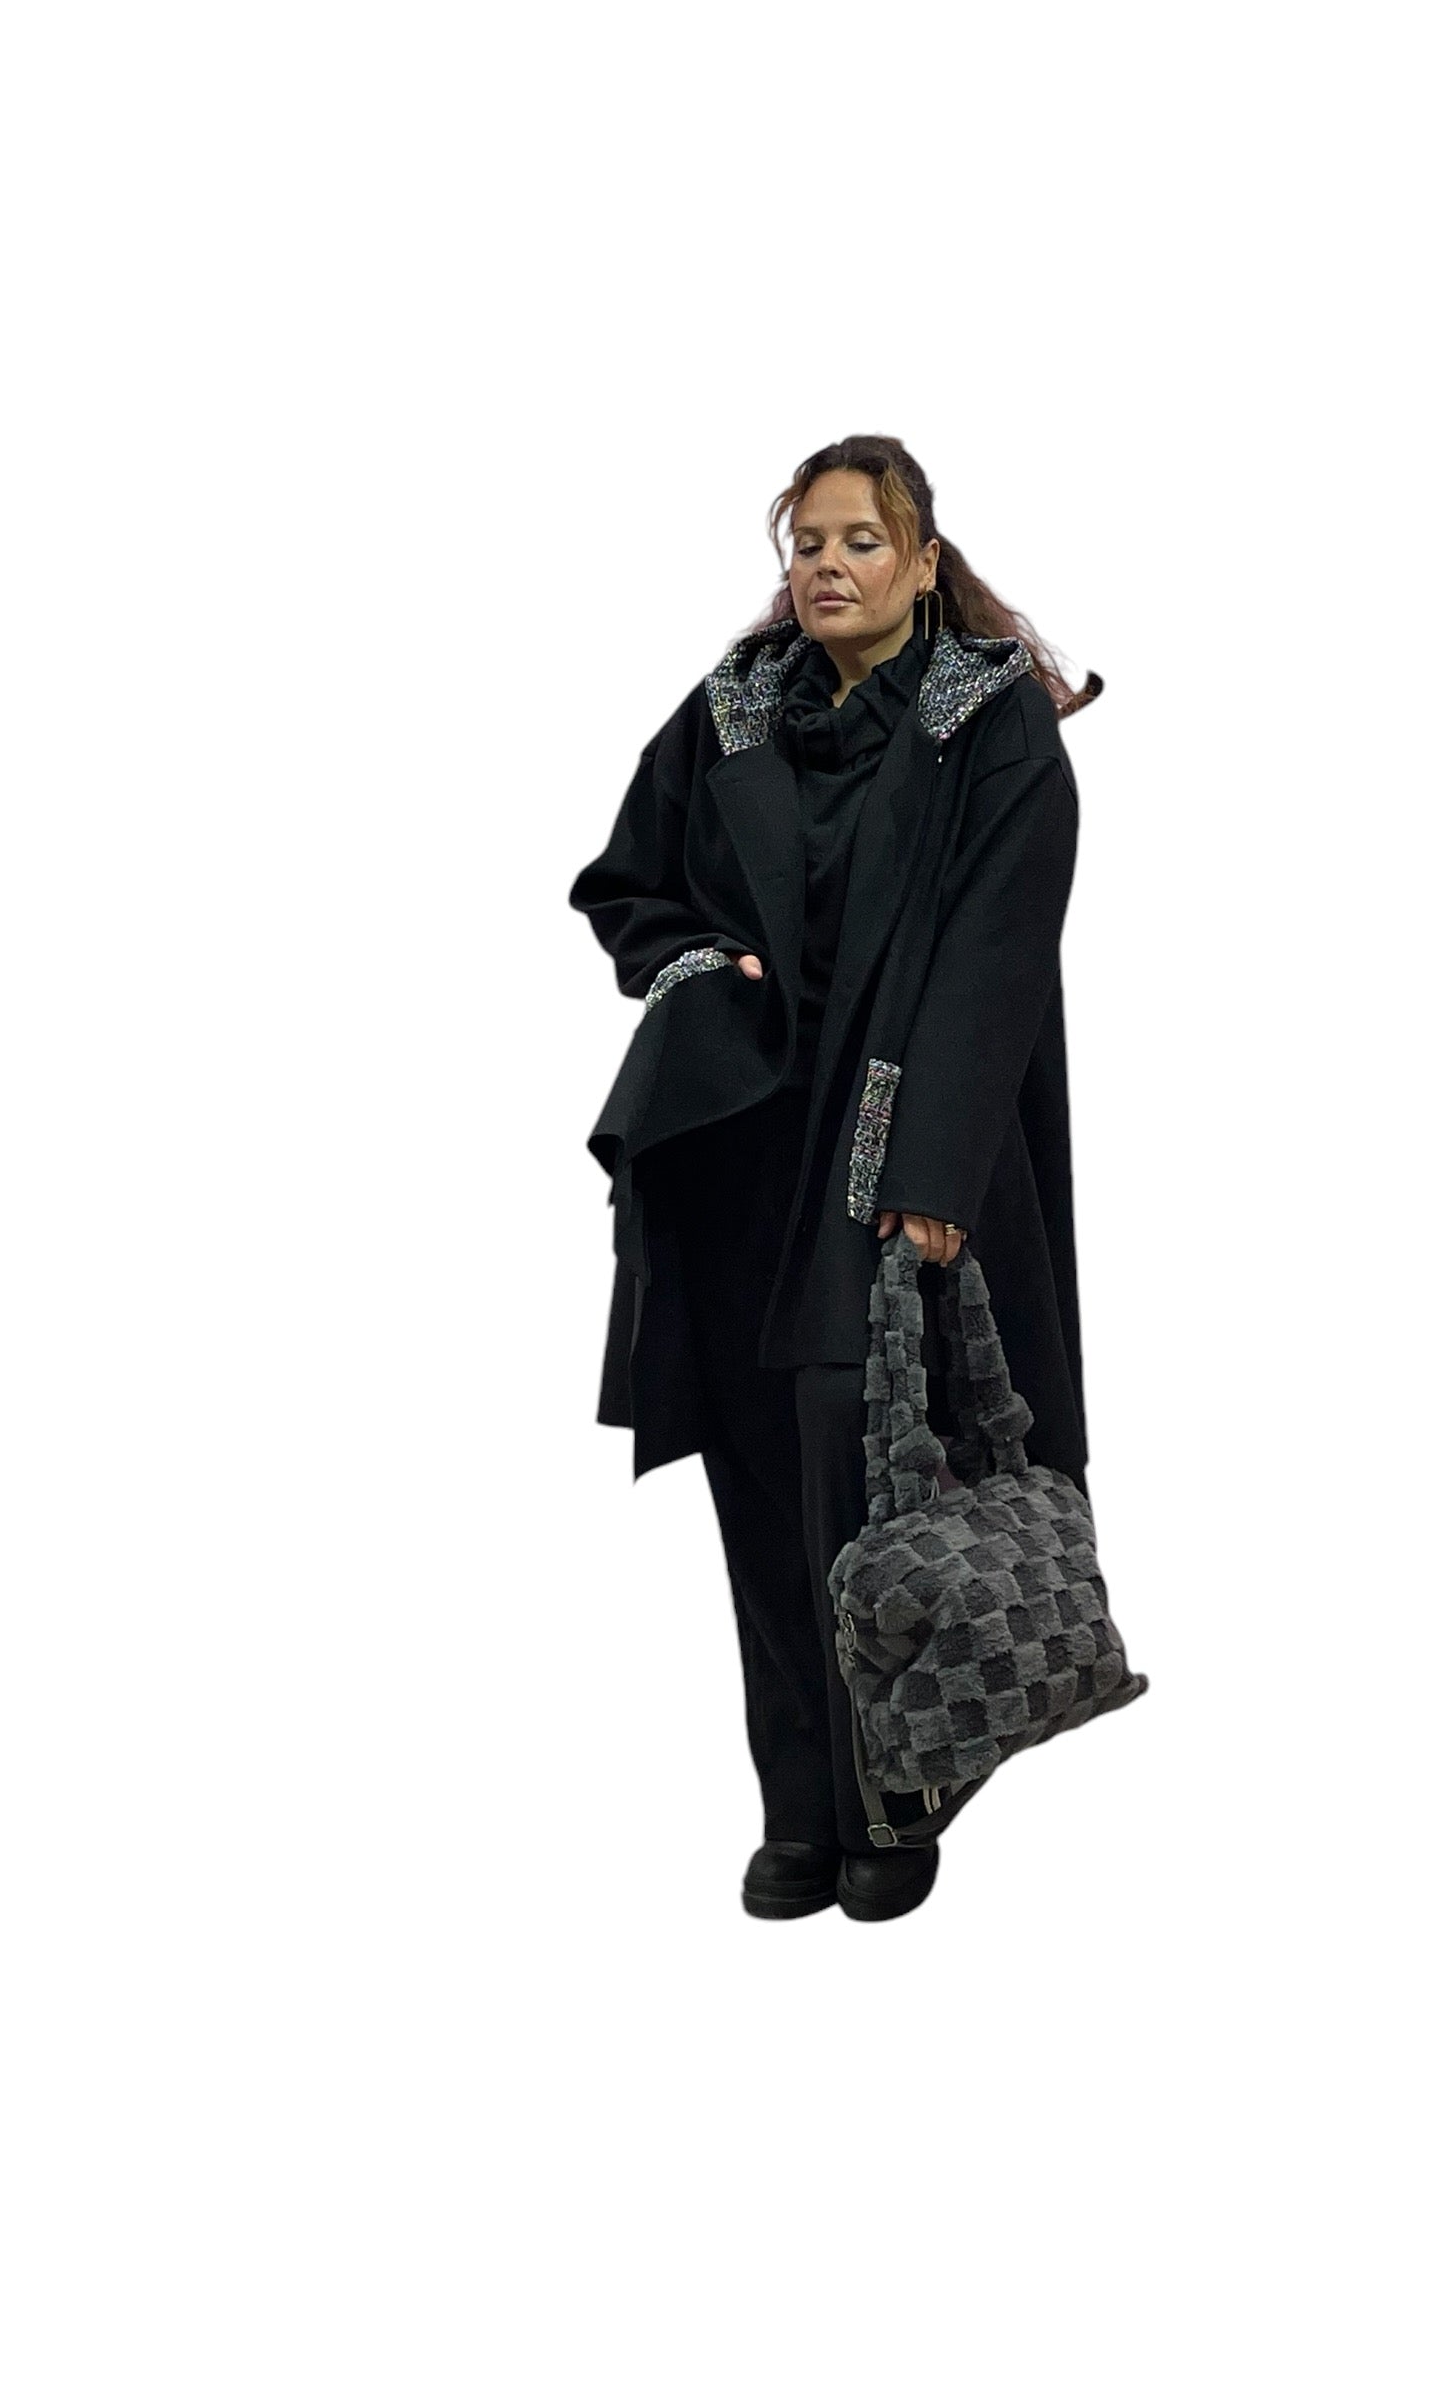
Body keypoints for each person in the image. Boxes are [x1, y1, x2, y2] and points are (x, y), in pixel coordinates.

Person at [567, 434, 1103, 1922]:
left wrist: (934, 1167)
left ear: (923, 564)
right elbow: (626, 885)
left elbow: (998, 951)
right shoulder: (733, 707)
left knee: (871, 1470)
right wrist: (696, 965)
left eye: (861, 540)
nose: (827, 565)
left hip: (891, 1148)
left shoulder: (990, 717)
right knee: (757, 1469)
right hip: (741, 1154)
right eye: (806, 542)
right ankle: (797, 1806)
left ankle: (895, 1794)